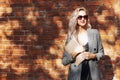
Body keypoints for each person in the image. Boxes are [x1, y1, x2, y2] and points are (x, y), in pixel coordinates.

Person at [62, 7, 104, 80]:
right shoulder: (71, 37)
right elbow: (64, 61)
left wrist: (93, 56)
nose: (83, 19)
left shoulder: (94, 33)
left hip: (92, 76)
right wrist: (74, 54)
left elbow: (101, 53)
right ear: (76, 19)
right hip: (76, 76)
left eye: (85, 17)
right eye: (80, 17)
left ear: (87, 18)